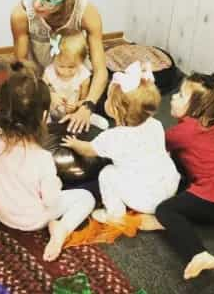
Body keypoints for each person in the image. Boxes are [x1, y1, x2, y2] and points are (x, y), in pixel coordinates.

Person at [0, 62, 95, 261]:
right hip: (33, 220)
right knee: (85, 197)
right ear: (44, 116)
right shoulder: (42, 159)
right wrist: (55, 183)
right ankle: (61, 231)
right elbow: (51, 200)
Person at [138, 72, 214, 280]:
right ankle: (170, 220)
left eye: (180, 95)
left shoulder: (185, 132)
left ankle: (198, 254)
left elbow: (151, 146)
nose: (172, 97)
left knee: (165, 208)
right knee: (179, 167)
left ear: (197, 110)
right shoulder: (212, 126)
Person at [62, 61, 180, 220]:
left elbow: (88, 150)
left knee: (107, 173)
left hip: (147, 199)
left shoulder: (114, 137)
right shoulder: (156, 124)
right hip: (169, 186)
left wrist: (73, 143)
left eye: (108, 98)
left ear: (115, 109)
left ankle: (114, 213)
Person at [11, 0, 108, 133]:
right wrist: (45, 92)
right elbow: (19, 66)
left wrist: (87, 106)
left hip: (76, 85)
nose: (37, 3)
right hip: (39, 81)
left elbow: (100, 70)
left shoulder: (87, 13)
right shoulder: (21, 14)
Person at [42, 30, 108, 129]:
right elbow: (41, 90)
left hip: (74, 113)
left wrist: (76, 105)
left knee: (102, 123)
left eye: (71, 67)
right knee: (41, 116)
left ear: (81, 62)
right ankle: (50, 126)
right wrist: (51, 96)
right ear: (54, 59)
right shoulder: (49, 72)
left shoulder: (83, 76)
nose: (65, 71)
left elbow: (84, 100)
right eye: (61, 66)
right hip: (52, 113)